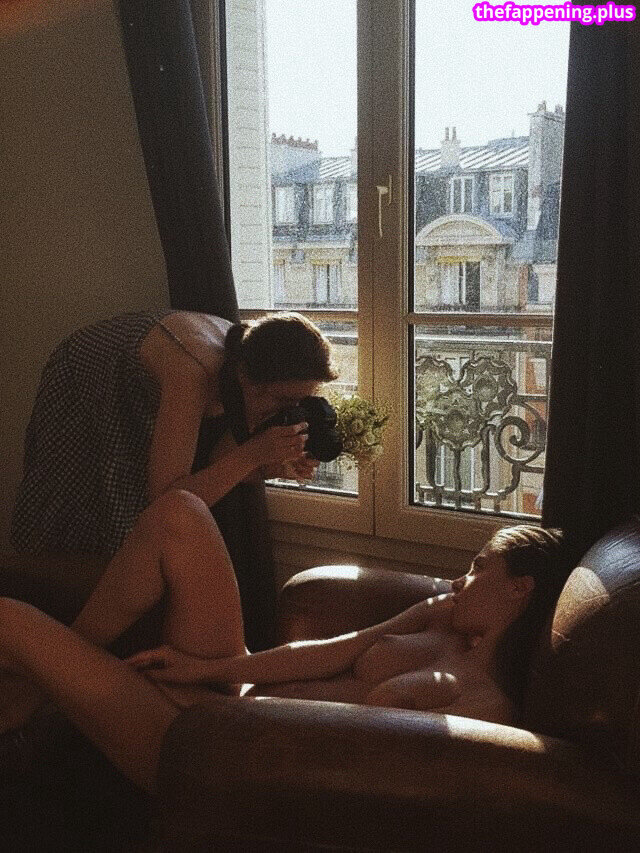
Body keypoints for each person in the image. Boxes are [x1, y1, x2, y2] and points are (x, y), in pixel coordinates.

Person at [0, 490, 573, 792]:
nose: (459, 579)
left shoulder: (485, 708)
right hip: (237, 700)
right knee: (180, 512)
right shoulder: (440, 620)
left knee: (12, 621)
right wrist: (209, 668)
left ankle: (27, 698)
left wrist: (217, 703)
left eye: (479, 568)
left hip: (216, 753)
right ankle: (33, 696)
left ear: (519, 590)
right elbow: (334, 651)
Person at [12, 310, 337, 555]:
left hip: (144, 382)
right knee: (90, 505)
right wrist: (254, 454)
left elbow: (220, 464)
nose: (286, 412)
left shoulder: (247, 361)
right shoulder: (193, 373)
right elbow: (167, 501)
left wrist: (272, 466)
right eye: (283, 401)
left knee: (139, 525)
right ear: (248, 379)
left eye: (299, 401)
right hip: (89, 373)